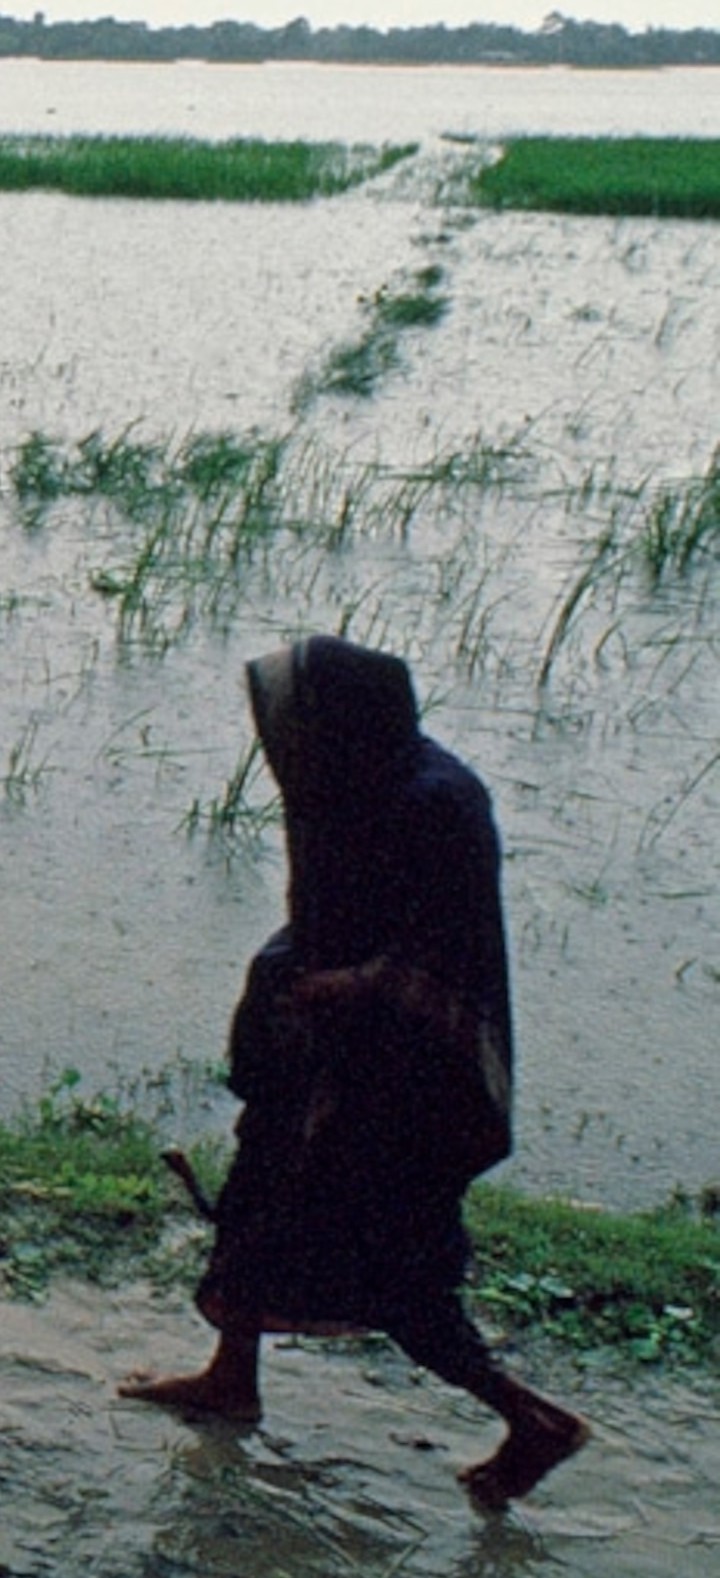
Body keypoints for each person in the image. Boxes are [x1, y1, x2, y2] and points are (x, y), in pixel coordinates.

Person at [121, 635, 590, 1510]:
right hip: (328, 1052)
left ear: (339, 723)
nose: (278, 742)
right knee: (257, 1199)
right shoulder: (354, 782)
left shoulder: (432, 805)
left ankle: (533, 1420)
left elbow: (445, 956)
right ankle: (232, 1377)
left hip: (400, 1081)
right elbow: (330, 914)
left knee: (396, 1267)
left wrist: (346, 987)